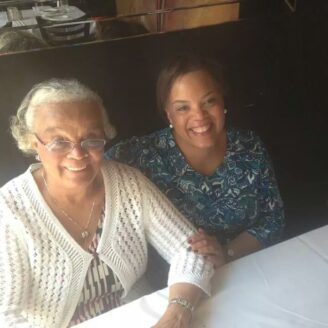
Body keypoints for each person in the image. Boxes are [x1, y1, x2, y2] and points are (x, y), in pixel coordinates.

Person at [0, 78, 214, 328]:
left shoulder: (127, 182)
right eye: (59, 141)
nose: (78, 153)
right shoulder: (10, 210)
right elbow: (6, 314)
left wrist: (178, 313)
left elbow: (190, 248)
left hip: (140, 317)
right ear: (34, 144)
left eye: (91, 139)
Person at [106, 54, 285, 282]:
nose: (199, 116)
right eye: (183, 108)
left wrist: (227, 252)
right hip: (170, 285)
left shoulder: (249, 146)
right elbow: (88, 164)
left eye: (209, 101)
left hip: (246, 269)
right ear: (168, 113)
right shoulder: (140, 156)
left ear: (223, 101)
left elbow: (273, 219)